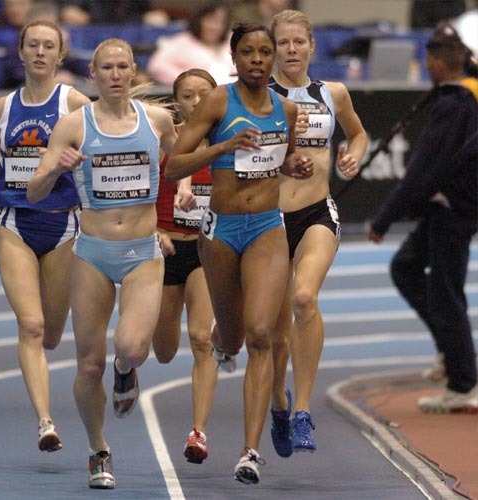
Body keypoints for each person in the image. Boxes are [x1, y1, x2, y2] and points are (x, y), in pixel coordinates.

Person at [166, 22, 313, 485]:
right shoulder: (217, 102)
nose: (257, 59)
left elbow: (283, 159)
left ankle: (250, 452)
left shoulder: (285, 110)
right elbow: (174, 167)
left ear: (272, 60)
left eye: (264, 52)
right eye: (247, 52)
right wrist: (224, 146)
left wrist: (296, 163)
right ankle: (222, 337)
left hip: (267, 227)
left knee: (262, 335)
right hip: (221, 230)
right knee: (228, 340)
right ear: (235, 58)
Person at [26, 38, 176, 489]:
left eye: (121, 66)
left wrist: (184, 191)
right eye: (105, 67)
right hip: (90, 253)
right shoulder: (73, 125)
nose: (114, 74)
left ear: (134, 72)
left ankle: (126, 370)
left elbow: (185, 161)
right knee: (88, 365)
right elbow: (33, 192)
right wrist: (55, 169)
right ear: (92, 74)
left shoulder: (158, 120)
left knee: (130, 347)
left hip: (141, 253)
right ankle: (98, 450)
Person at [0, 20, 90, 452]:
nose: (39, 52)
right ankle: (45, 421)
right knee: (31, 326)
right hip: (15, 222)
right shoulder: (3, 107)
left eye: (48, 46)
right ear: (19, 52)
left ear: (60, 55)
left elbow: (99, 150)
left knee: (52, 333)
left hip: (62, 226)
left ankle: (46, 406)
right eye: (32, 44)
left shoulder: (73, 103)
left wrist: (76, 162)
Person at [266, 9, 367, 458]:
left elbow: (359, 134)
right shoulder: (256, 96)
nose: (291, 50)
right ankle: (277, 403)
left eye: (297, 42)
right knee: (271, 331)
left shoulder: (332, 93)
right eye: (282, 43)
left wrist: (352, 156)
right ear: (272, 49)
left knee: (305, 298)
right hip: (267, 219)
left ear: (311, 46)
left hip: (316, 213)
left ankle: (303, 409)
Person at [368, 22, 478, 413]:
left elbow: (422, 170)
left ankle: (464, 383)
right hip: (448, 206)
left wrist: (383, 218)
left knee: (446, 293)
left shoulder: (455, 103)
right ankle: (453, 353)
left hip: (455, 208)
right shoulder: (466, 96)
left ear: (434, 61)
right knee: (406, 267)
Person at [152, 68, 220, 465]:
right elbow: (137, 195)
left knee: (201, 339)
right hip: (164, 251)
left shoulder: (225, 144)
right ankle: (127, 362)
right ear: (176, 102)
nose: (196, 102)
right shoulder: (162, 142)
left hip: (205, 252)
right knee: (162, 350)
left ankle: (198, 432)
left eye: (203, 94)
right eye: (188, 96)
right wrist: (153, 230)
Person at [147, 2, 235, 86]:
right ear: (199, 20)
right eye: (210, 20)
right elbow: (156, 66)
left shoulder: (234, 40)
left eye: (222, 22)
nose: (216, 27)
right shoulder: (181, 42)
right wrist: (189, 80)